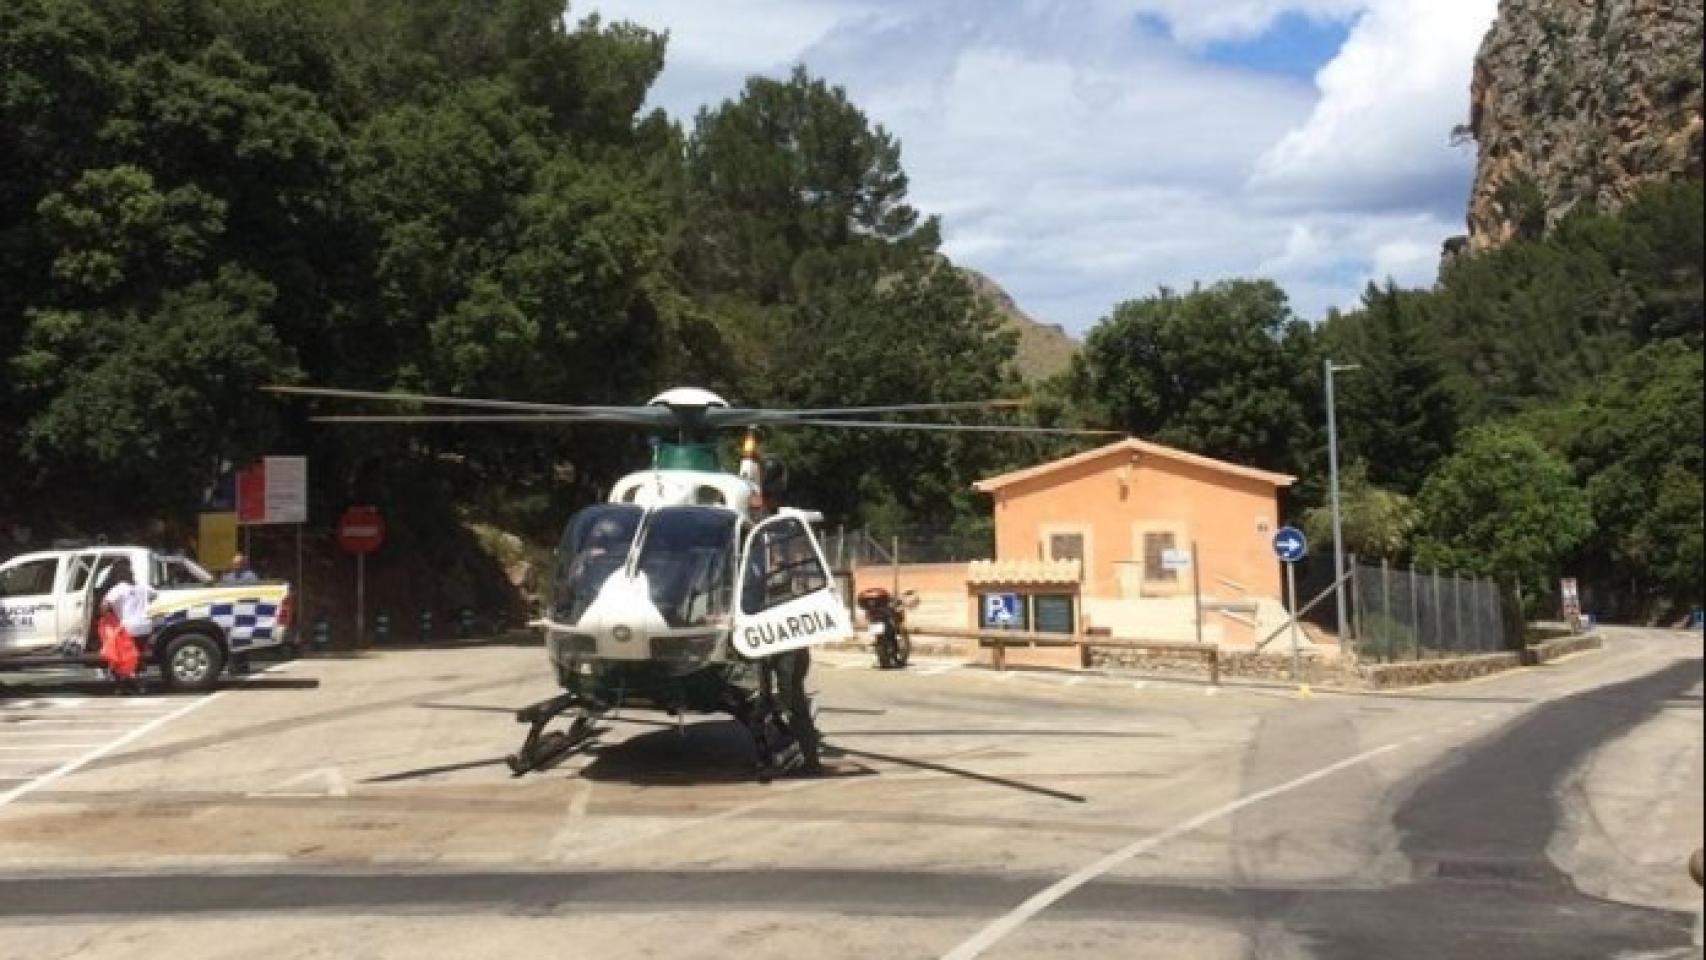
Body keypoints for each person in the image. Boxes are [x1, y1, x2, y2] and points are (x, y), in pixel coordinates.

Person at [98, 559, 152, 694]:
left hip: (128, 628)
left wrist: (108, 614)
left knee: (122, 657)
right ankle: (140, 685)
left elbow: (104, 606)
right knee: (138, 656)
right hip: (144, 627)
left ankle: (122, 686)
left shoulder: (118, 589)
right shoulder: (142, 587)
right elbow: (155, 595)